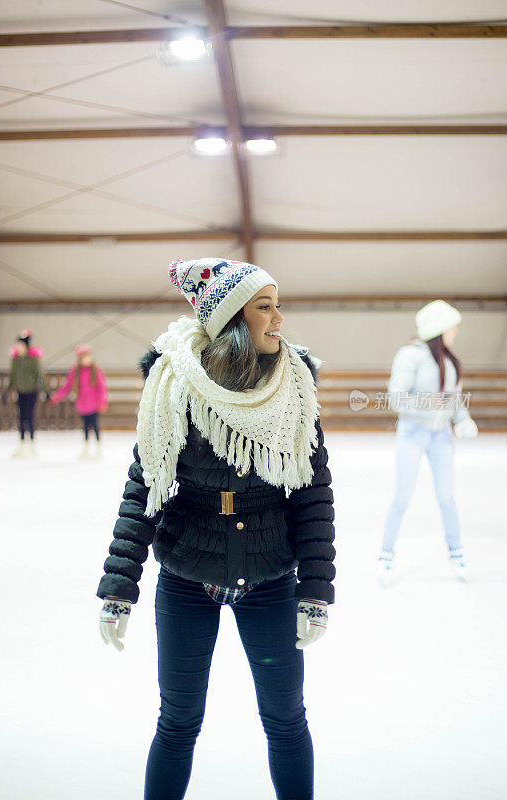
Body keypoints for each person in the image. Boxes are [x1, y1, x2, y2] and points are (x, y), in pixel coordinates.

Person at [96, 258, 336, 800]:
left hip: (270, 576)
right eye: (265, 306)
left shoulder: (293, 387)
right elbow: (146, 486)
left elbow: (313, 493)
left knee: (286, 720)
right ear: (231, 318)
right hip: (187, 575)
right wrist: (119, 588)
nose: (279, 317)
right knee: (177, 723)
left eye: (277, 304)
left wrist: (316, 591)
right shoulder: (175, 386)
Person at [377, 299, 478, 586]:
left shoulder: (448, 360)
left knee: (447, 498)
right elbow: (397, 397)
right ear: (439, 328)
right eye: (452, 325)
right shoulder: (411, 355)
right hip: (413, 434)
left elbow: (454, 398)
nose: (456, 331)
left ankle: (456, 552)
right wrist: (431, 405)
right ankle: (386, 555)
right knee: (402, 496)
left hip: (441, 437)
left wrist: (461, 420)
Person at [49, 344, 108, 459]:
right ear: (80, 359)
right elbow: (67, 386)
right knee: (85, 426)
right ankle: (86, 449)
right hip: (82, 405)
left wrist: (102, 401)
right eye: (84, 357)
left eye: (88, 356)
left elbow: (102, 388)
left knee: (95, 425)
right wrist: (58, 396)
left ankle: (98, 448)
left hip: (94, 404)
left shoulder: (96, 371)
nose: (87, 359)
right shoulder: (75, 371)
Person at [2, 328, 50, 458]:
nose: (18, 347)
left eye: (20, 344)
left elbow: (40, 375)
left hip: (31, 392)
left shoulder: (33, 359)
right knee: (21, 418)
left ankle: (32, 445)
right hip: (20, 392)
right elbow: (12, 377)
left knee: (29, 417)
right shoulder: (16, 360)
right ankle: (22, 445)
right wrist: (7, 392)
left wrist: (46, 391)